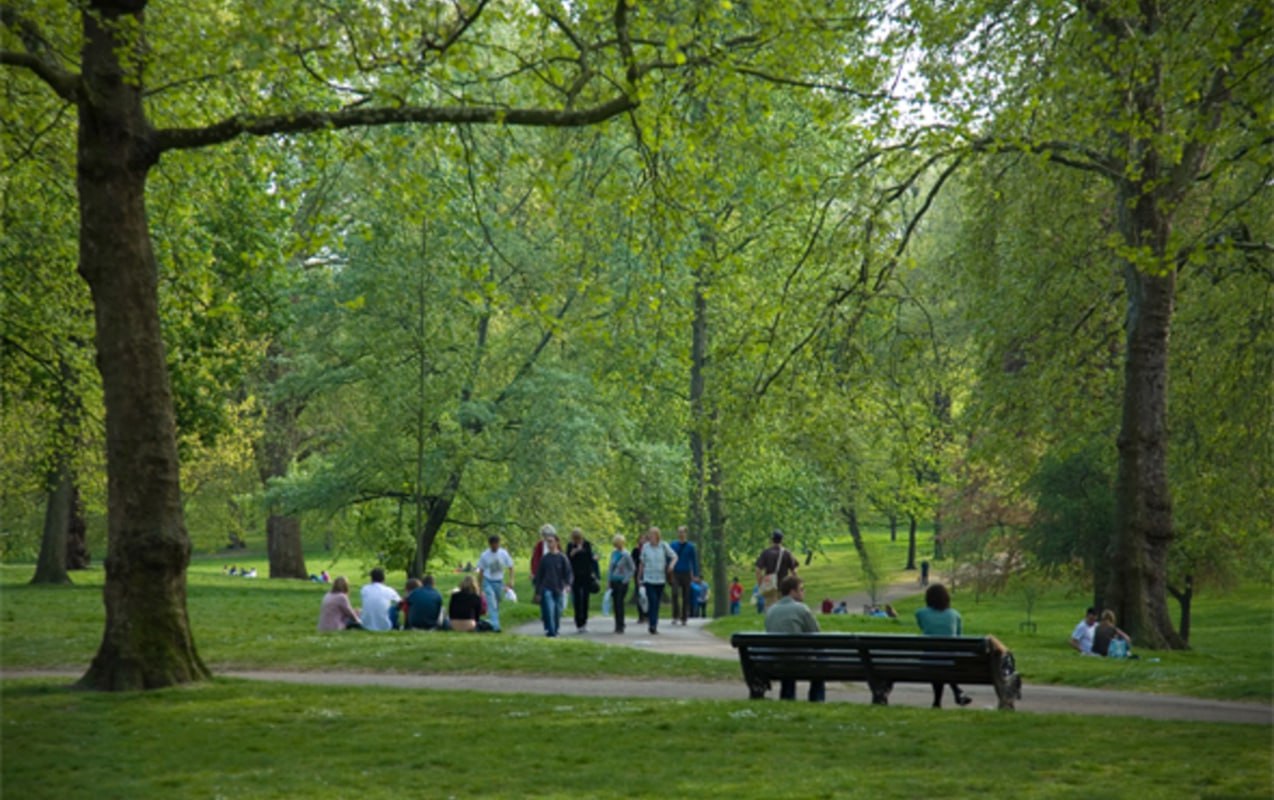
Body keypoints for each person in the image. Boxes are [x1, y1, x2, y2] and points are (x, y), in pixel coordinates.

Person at [764, 575, 825, 702]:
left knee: (787, 657)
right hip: (799, 661)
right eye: (801, 589)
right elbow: (817, 634)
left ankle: (787, 697)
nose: (804, 592)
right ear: (792, 592)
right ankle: (816, 699)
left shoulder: (771, 610)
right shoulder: (801, 609)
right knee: (820, 662)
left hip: (776, 661)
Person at [915, 583, 972, 708]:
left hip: (929, 660)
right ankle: (957, 691)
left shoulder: (920, 613)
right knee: (944, 662)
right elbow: (958, 637)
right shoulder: (955, 615)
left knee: (937, 663)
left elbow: (923, 627)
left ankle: (938, 701)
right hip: (950, 660)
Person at [637, 526, 677, 635]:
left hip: (660, 579)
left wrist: (671, 566)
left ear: (657, 536)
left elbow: (674, 556)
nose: (651, 537)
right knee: (652, 601)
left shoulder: (663, 546)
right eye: (650, 535)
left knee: (656, 603)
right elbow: (642, 562)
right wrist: (639, 577)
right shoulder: (645, 547)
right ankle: (652, 625)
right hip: (648, 578)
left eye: (653, 535)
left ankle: (654, 623)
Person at [533, 531, 573, 637]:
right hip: (546, 588)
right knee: (549, 609)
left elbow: (568, 573)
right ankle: (551, 631)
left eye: (551, 542)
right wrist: (537, 592)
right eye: (547, 542)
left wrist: (568, 584)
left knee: (557, 611)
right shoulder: (545, 559)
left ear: (557, 542)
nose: (549, 544)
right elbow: (539, 576)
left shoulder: (562, 558)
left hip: (559, 588)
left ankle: (555, 629)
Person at [476, 535, 515, 632]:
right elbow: (481, 570)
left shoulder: (503, 554)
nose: (495, 547)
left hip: (498, 581)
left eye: (497, 545)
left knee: (496, 603)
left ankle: (493, 621)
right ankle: (496, 627)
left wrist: (511, 580)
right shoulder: (485, 555)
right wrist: (479, 586)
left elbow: (511, 566)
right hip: (488, 580)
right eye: (493, 545)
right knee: (491, 603)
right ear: (490, 545)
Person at [755, 529, 799, 610]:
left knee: (770, 610)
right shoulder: (787, 553)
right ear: (782, 540)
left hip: (770, 586)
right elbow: (794, 571)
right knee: (784, 610)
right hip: (784, 587)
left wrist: (760, 583)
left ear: (772, 540)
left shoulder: (766, 553)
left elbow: (758, 570)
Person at [566, 528, 599, 633]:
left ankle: (584, 621)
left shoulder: (587, 544)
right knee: (577, 599)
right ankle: (578, 622)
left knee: (585, 598)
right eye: (575, 539)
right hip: (575, 576)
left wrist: (595, 559)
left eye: (579, 539)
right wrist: (574, 551)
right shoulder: (570, 546)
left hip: (586, 575)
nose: (577, 541)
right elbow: (567, 559)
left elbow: (590, 558)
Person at [669, 526, 700, 626]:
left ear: (686, 534)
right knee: (674, 593)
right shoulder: (673, 545)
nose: (681, 534)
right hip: (676, 572)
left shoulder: (690, 546)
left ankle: (684, 617)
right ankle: (675, 615)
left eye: (683, 532)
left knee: (686, 595)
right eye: (679, 532)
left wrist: (695, 574)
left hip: (686, 572)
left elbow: (694, 561)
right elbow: (669, 557)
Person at [607, 534, 636, 634]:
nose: (616, 546)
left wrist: (626, 579)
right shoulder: (613, 554)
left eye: (617, 544)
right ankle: (617, 624)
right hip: (614, 581)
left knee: (620, 603)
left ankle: (621, 625)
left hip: (622, 582)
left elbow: (632, 568)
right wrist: (609, 581)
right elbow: (610, 568)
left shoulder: (626, 554)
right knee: (615, 604)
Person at [359, 567, 401, 632]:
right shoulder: (389, 590)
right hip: (386, 626)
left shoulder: (364, 589)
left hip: (366, 625)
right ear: (384, 578)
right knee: (393, 608)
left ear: (371, 578)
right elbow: (400, 602)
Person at [630, 530, 649, 625]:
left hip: (648, 575)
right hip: (638, 574)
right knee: (640, 595)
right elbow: (631, 562)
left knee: (648, 595)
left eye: (644, 539)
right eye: (641, 539)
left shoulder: (649, 550)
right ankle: (641, 616)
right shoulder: (635, 551)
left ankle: (647, 615)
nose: (642, 541)